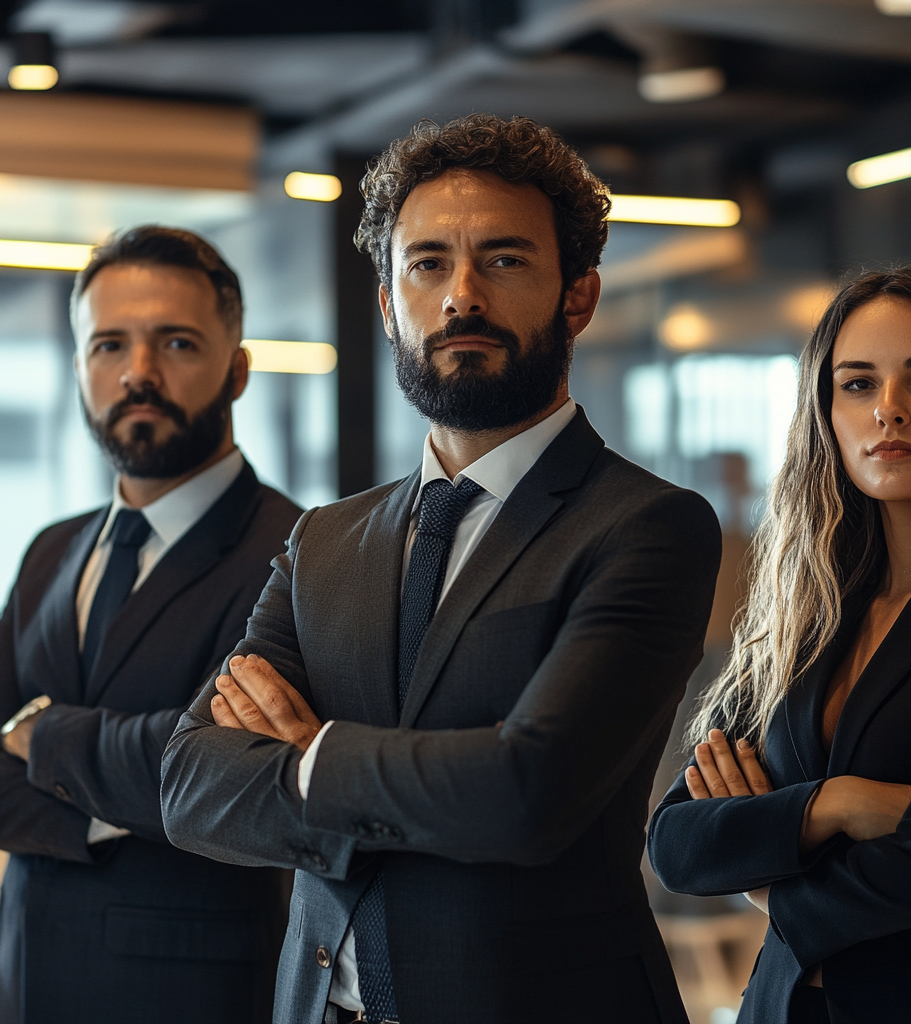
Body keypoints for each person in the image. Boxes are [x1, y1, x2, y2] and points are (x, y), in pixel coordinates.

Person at [160, 114, 721, 1024]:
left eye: (503, 260)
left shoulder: (647, 527)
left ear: (577, 297)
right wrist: (430, 781)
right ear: (388, 303)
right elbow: (191, 785)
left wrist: (309, 758)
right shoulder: (324, 540)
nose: (462, 296)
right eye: (427, 264)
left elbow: (528, 792)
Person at [647, 266, 911, 1024]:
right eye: (857, 384)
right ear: (826, 413)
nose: (888, 411)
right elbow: (677, 844)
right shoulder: (807, 618)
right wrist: (836, 804)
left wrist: (766, 879)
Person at [0, 226, 302, 1024]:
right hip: (28, 981)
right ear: (78, 370)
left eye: (175, 342)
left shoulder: (302, 554)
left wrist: (43, 740)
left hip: (195, 993)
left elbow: (232, 777)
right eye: (108, 346)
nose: (138, 374)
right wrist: (128, 804)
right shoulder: (49, 552)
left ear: (237, 369)